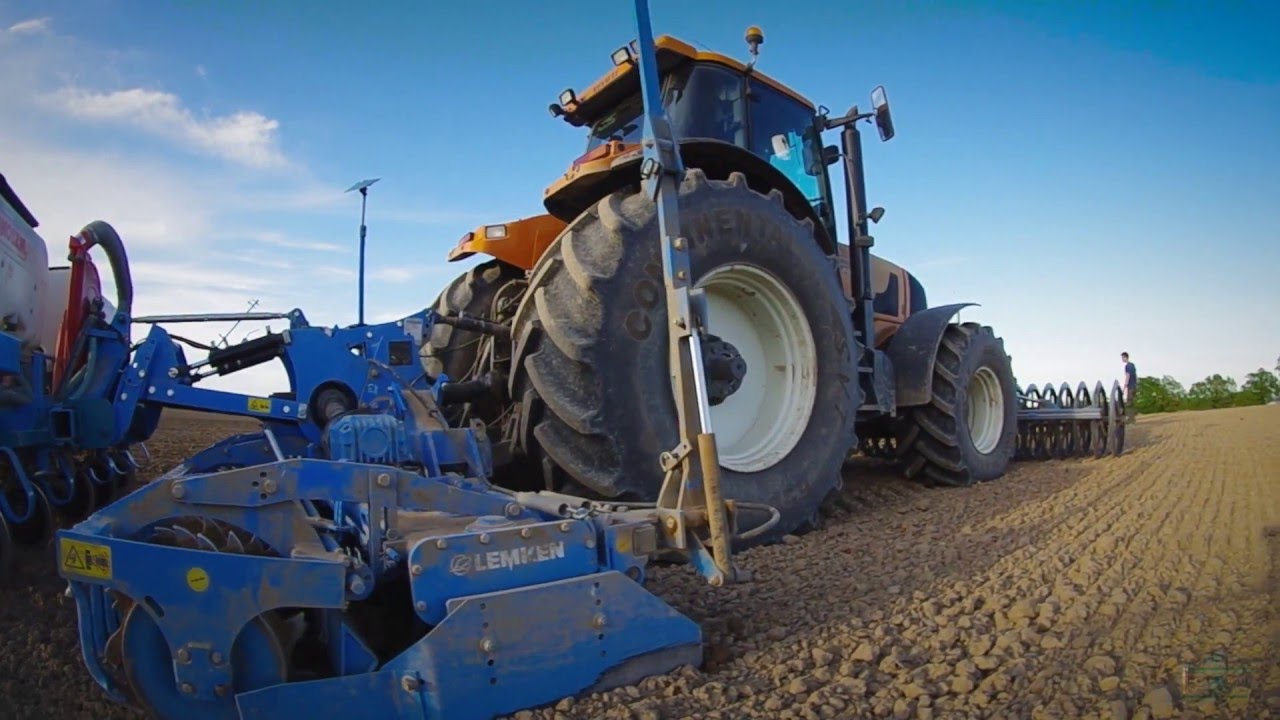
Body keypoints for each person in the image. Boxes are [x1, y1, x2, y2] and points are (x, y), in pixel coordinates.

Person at [1121, 352, 1137, 421]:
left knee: (1129, 403)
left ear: (1125, 357)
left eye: (1122, 357)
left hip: (1130, 386)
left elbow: (1128, 375)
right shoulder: (1132, 365)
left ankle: (1130, 419)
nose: (1122, 359)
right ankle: (1132, 419)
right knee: (1132, 402)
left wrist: (1125, 385)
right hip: (1134, 386)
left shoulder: (1127, 366)